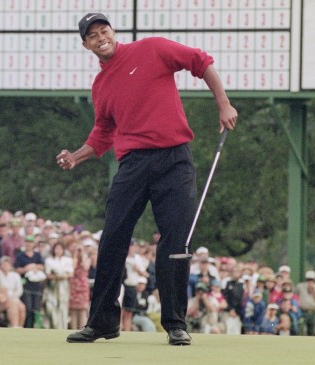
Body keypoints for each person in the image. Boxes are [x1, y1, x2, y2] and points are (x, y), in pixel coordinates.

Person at [62, 12, 237, 346]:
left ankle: (175, 324)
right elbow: (103, 133)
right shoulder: (100, 86)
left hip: (174, 159)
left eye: (104, 30)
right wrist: (76, 156)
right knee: (113, 236)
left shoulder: (152, 49)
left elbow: (199, 61)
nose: (101, 37)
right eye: (93, 35)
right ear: (85, 45)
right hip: (133, 164)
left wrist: (223, 104)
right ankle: (102, 323)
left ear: (113, 32)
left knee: (175, 241)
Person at [14, 234, 46, 328]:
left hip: (37, 285)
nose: (29, 244)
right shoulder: (20, 255)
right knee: (27, 308)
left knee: (35, 309)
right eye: (27, 242)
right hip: (26, 285)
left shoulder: (37, 255)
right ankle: (26, 327)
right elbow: (17, 270)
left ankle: (33, 327)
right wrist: (26, 269)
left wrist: (34, 266)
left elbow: (42, 267)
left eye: (31, 242)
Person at [44, 242, 74, 329]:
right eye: (56, 248)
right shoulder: (49, 260)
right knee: (51, 306)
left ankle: (63, 326)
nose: (58, 250)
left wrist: (63, 276)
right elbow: (48, 274)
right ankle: (52, 325)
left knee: (63, 305)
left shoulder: (68, 260)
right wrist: (56, 277)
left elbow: (70, 274)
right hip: (52, 286)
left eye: (60, 249)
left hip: (63, 286)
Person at [69, 242, 91, 330]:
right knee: (73, 310)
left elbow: (86, 267)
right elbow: (72, 268)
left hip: (83, 284)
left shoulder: (87, 258)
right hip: (73, 284)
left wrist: (82, 256)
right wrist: (75, 256)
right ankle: (74, 329)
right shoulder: (71, 259)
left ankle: (83, 329)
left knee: (82, 309)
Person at [295, 270, 315, 335]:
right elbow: (295, 297)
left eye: (311, 279)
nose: (310, 281)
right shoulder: (300, 286)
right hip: (302, 311)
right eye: (308, 279)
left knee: (311, 330)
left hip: (313, 312)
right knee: (300, 328)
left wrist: (313, 290)